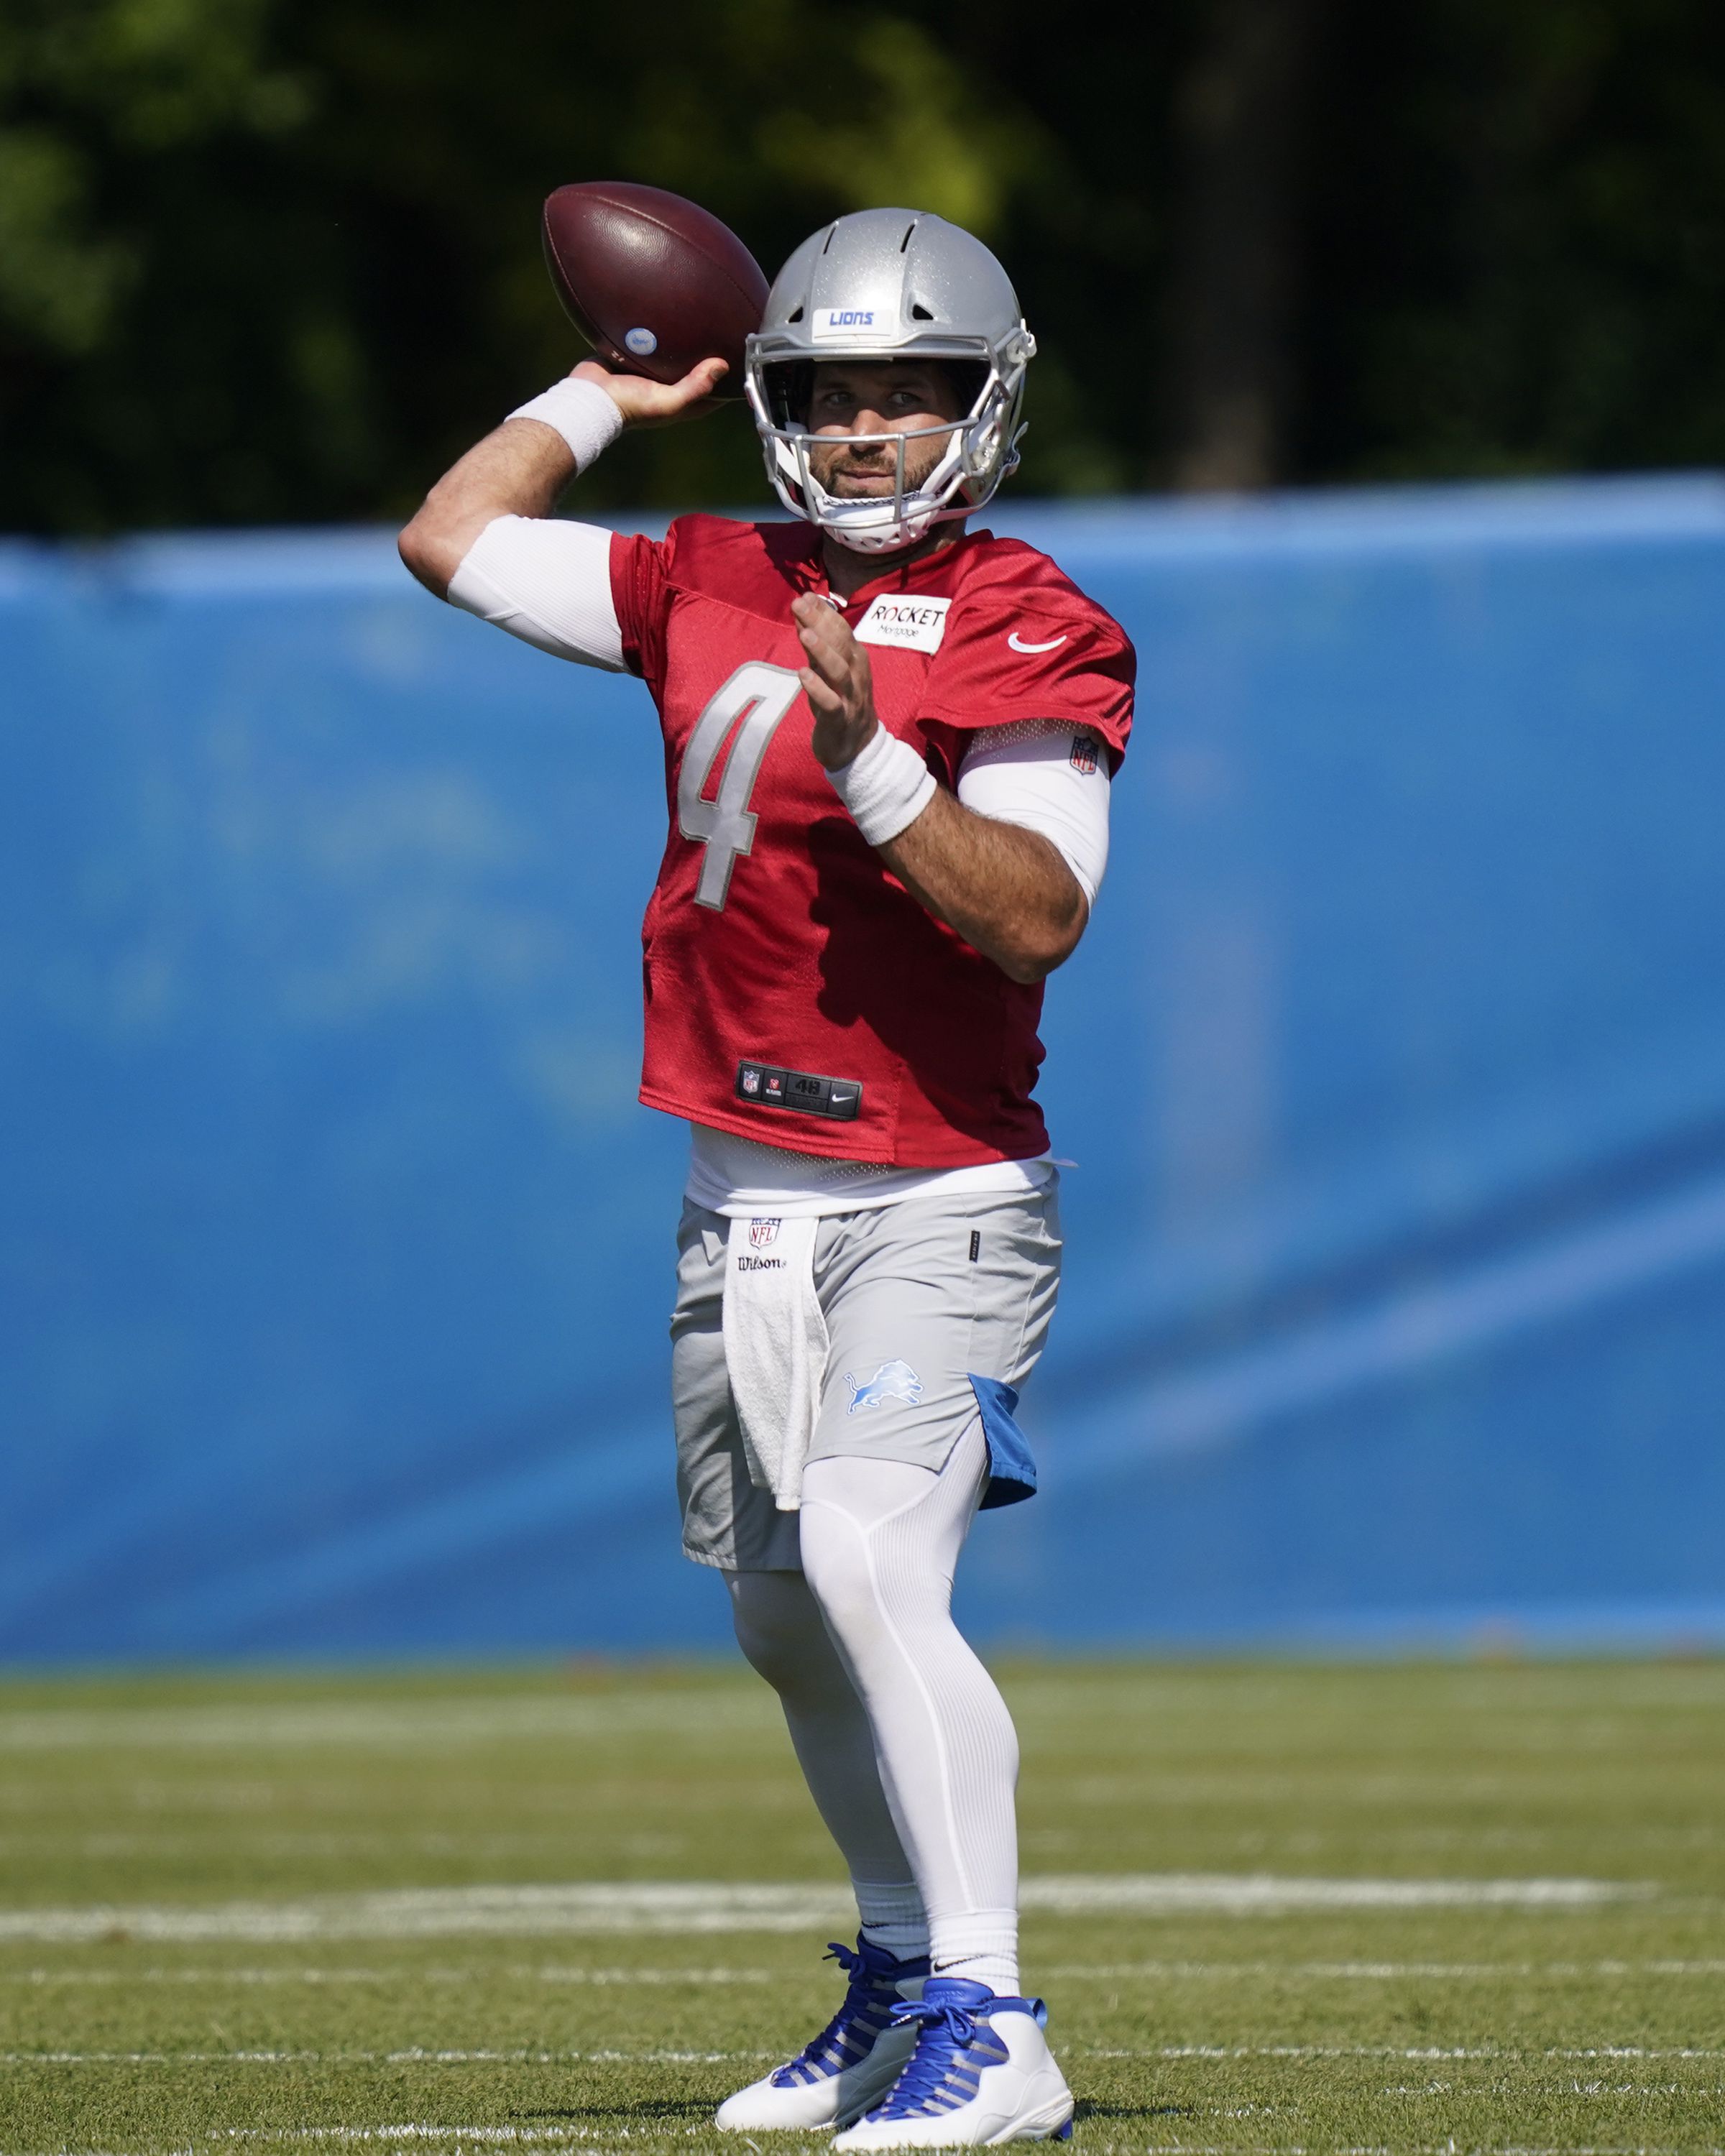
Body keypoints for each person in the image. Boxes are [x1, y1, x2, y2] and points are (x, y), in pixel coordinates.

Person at [400, 207, 1133, 2150]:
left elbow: (1043, 917)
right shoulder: (709, 569)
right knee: (787, 1616)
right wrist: (604, 389)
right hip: (744, 1202)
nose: (872, 429)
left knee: (881, 1564)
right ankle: (901, 1972)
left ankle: (999, 2022)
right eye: (831, 393)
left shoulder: (1033, 616)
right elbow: (450, 541)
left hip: (935, 1191)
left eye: (911, 393)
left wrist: (880, 768)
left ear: (984, 406)